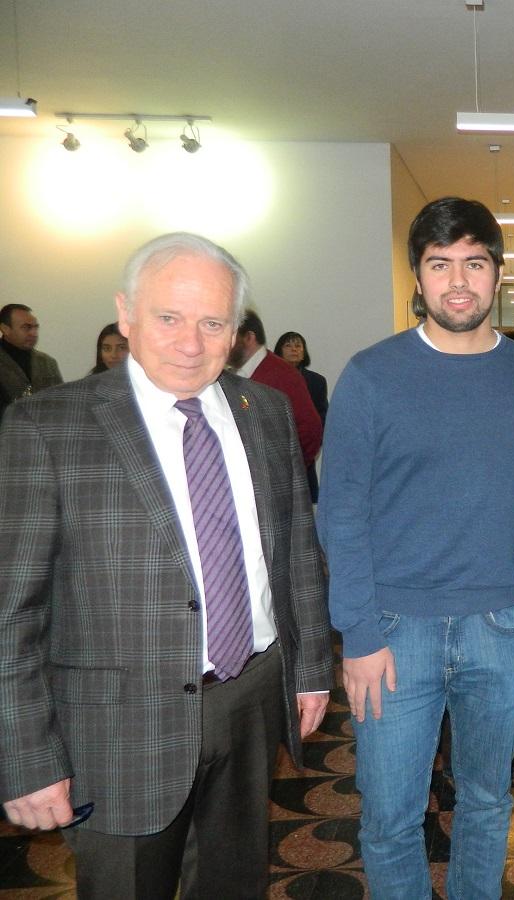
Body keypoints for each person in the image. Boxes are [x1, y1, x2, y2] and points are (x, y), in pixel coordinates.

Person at [0, 232, 332, 899]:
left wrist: (313, 668)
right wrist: (27, 757)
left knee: (235, 883)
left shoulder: (262, 411)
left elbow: (296, 547)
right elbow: (12, 612)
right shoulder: (45, 426)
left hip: (250, 699)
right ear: (126, 315)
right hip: (119, 724)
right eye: (168, 317)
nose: (190, 341)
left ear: (236, 331)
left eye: (212, 322)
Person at [318, 197, 514, 898]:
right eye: (440, 264)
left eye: (474, 263)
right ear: (418, 279)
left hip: (504, 630)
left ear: (499, 273)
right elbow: (342, 513)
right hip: (394, 634)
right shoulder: (371, 375)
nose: (459, 282)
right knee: (391, 816)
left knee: (487, 804)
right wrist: (358, 634)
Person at [229, 312, 324, 503]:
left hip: (277, 494)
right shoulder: (232, 376)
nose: (223, 343)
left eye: (230, 335)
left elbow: (311, 430)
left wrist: (283, 473)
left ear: (249, 337)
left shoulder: (282, 375)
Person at [0, 303, 63, 400]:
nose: (33, 333)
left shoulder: (48, 363)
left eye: (35, 327)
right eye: (26, 327)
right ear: (5, 329)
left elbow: (60, 400)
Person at [274, 331, 329, 424]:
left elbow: (322, 415)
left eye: (298, 346)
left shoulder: (317, 381)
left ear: (304, 353)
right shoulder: (271, 379)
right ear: (280, 352)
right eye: (288, 346)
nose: (294, 349)